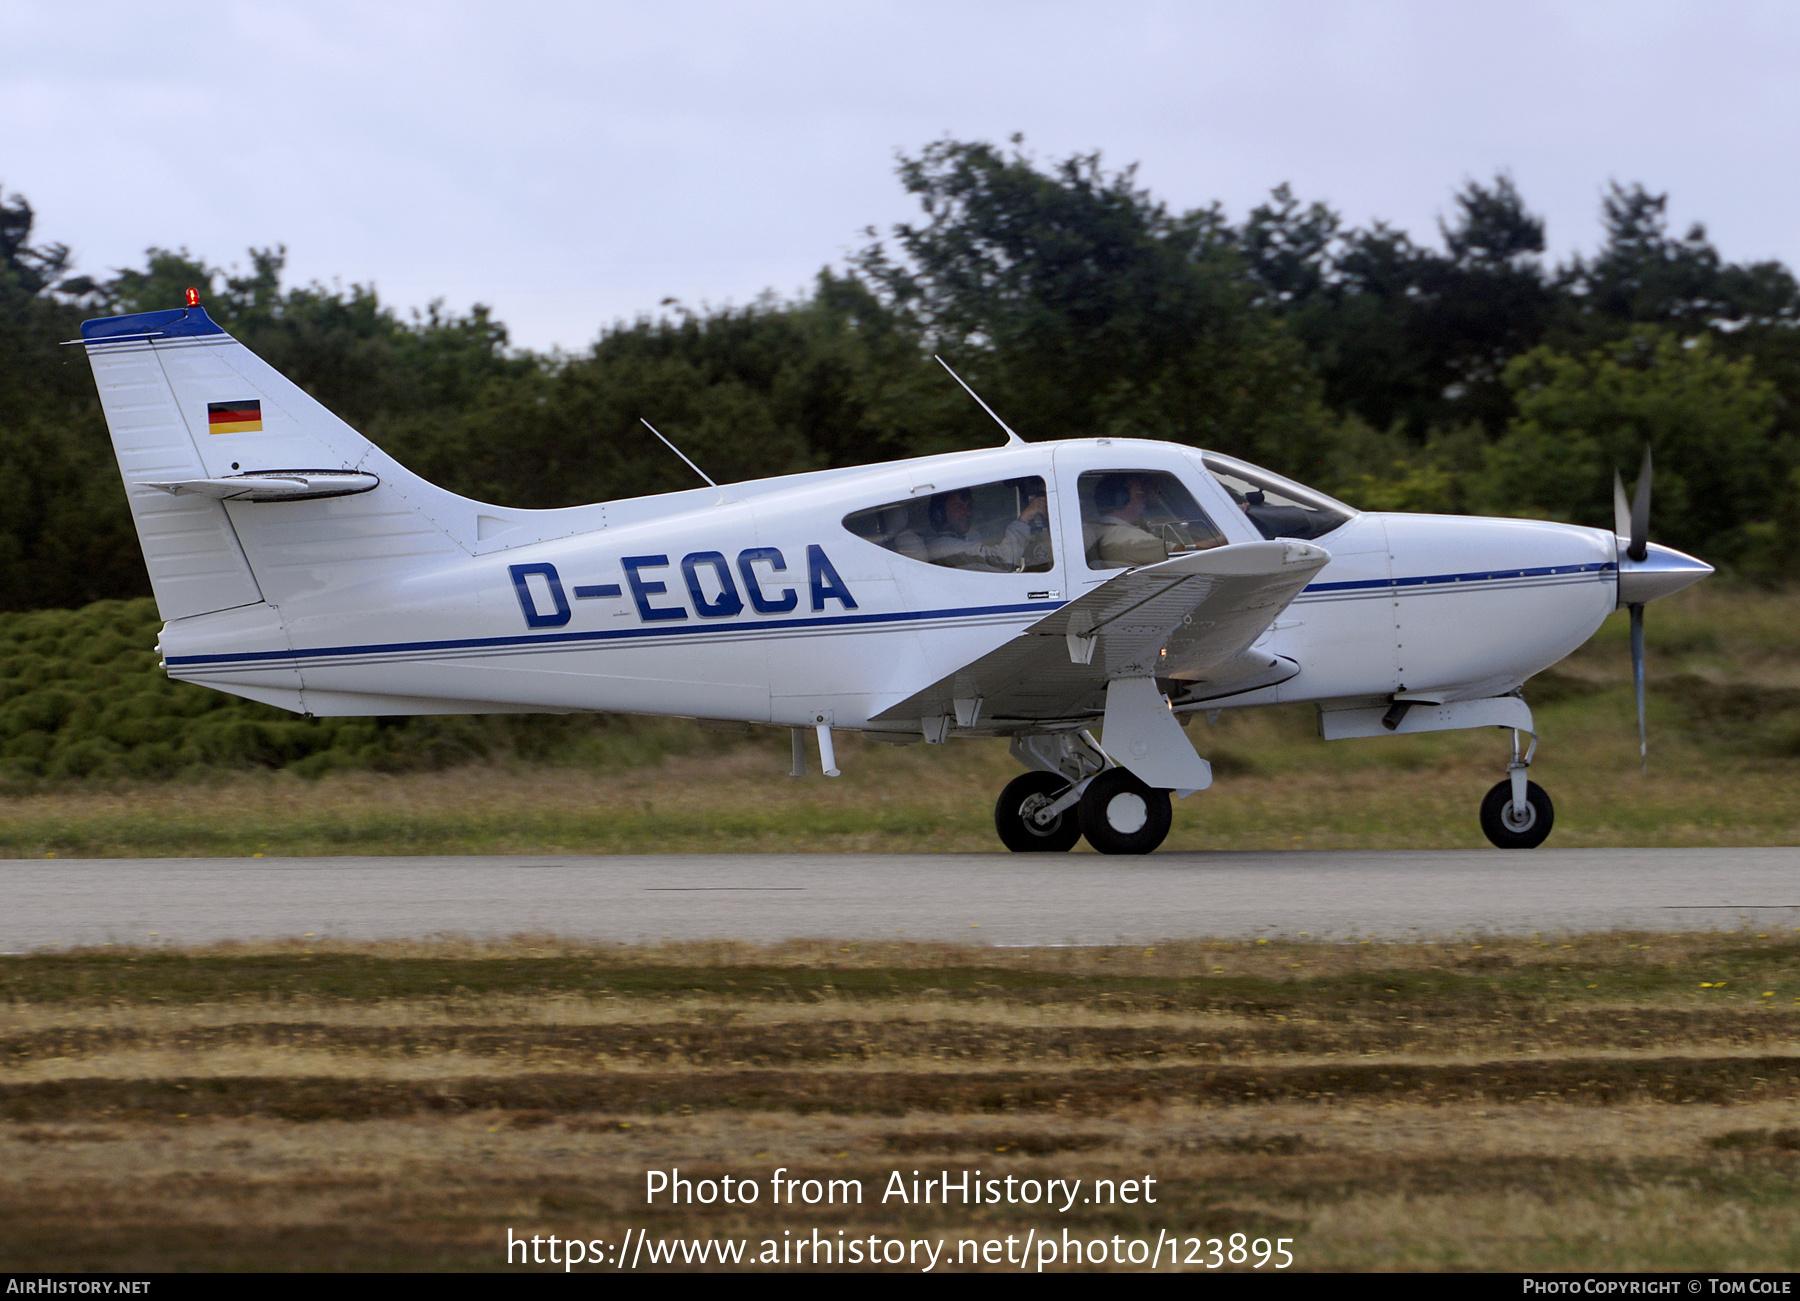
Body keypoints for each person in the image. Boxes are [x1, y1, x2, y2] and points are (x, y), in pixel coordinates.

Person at [923, 486, 1048, 572]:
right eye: (958, 506)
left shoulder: (965, 538)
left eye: (969, 506)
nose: (967, 512)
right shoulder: (944, 547)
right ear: (939, 513)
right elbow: (1003, 561)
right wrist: (1024, 519)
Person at [1086, 474, 1171, 568]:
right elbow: (1180, 552)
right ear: (1122, 498)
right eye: (1139, 494)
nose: (1144, 499)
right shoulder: (1129, 538)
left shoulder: (1095, 529)